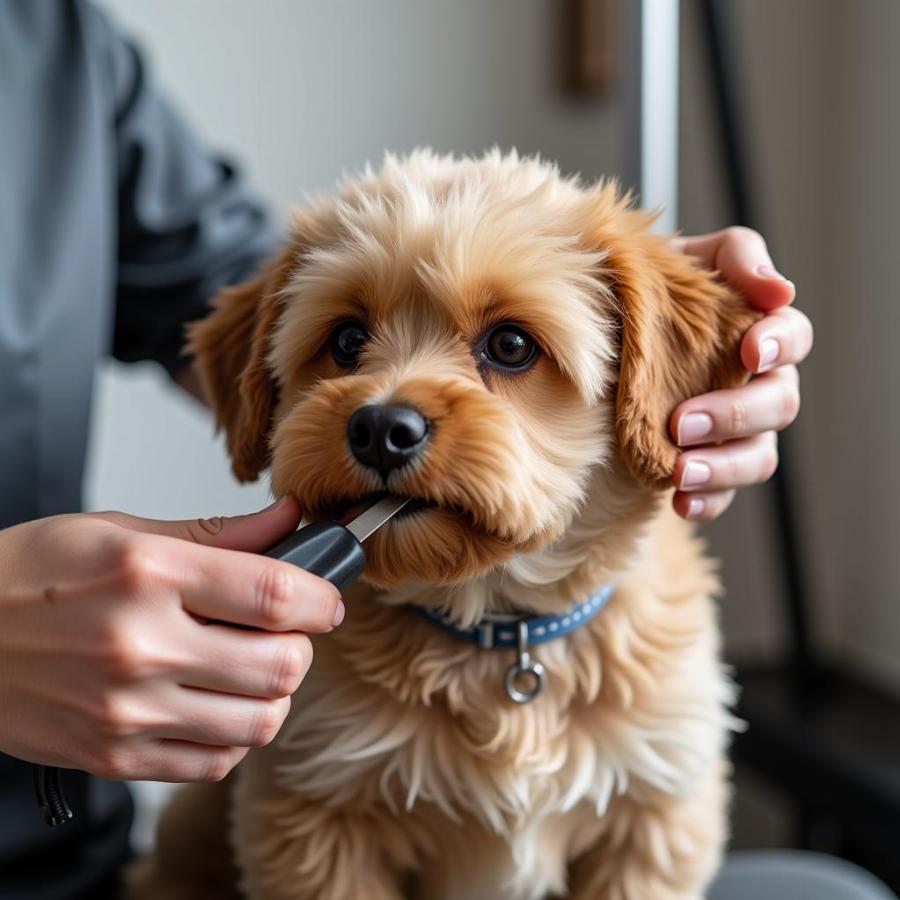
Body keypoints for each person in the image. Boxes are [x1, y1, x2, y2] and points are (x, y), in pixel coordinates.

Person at [0, 2, 823, 900]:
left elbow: (229, 275)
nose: (386, 410)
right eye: (350, 347)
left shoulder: (54, 39)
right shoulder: (321, 669)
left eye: (509, 348)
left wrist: (695, 330)